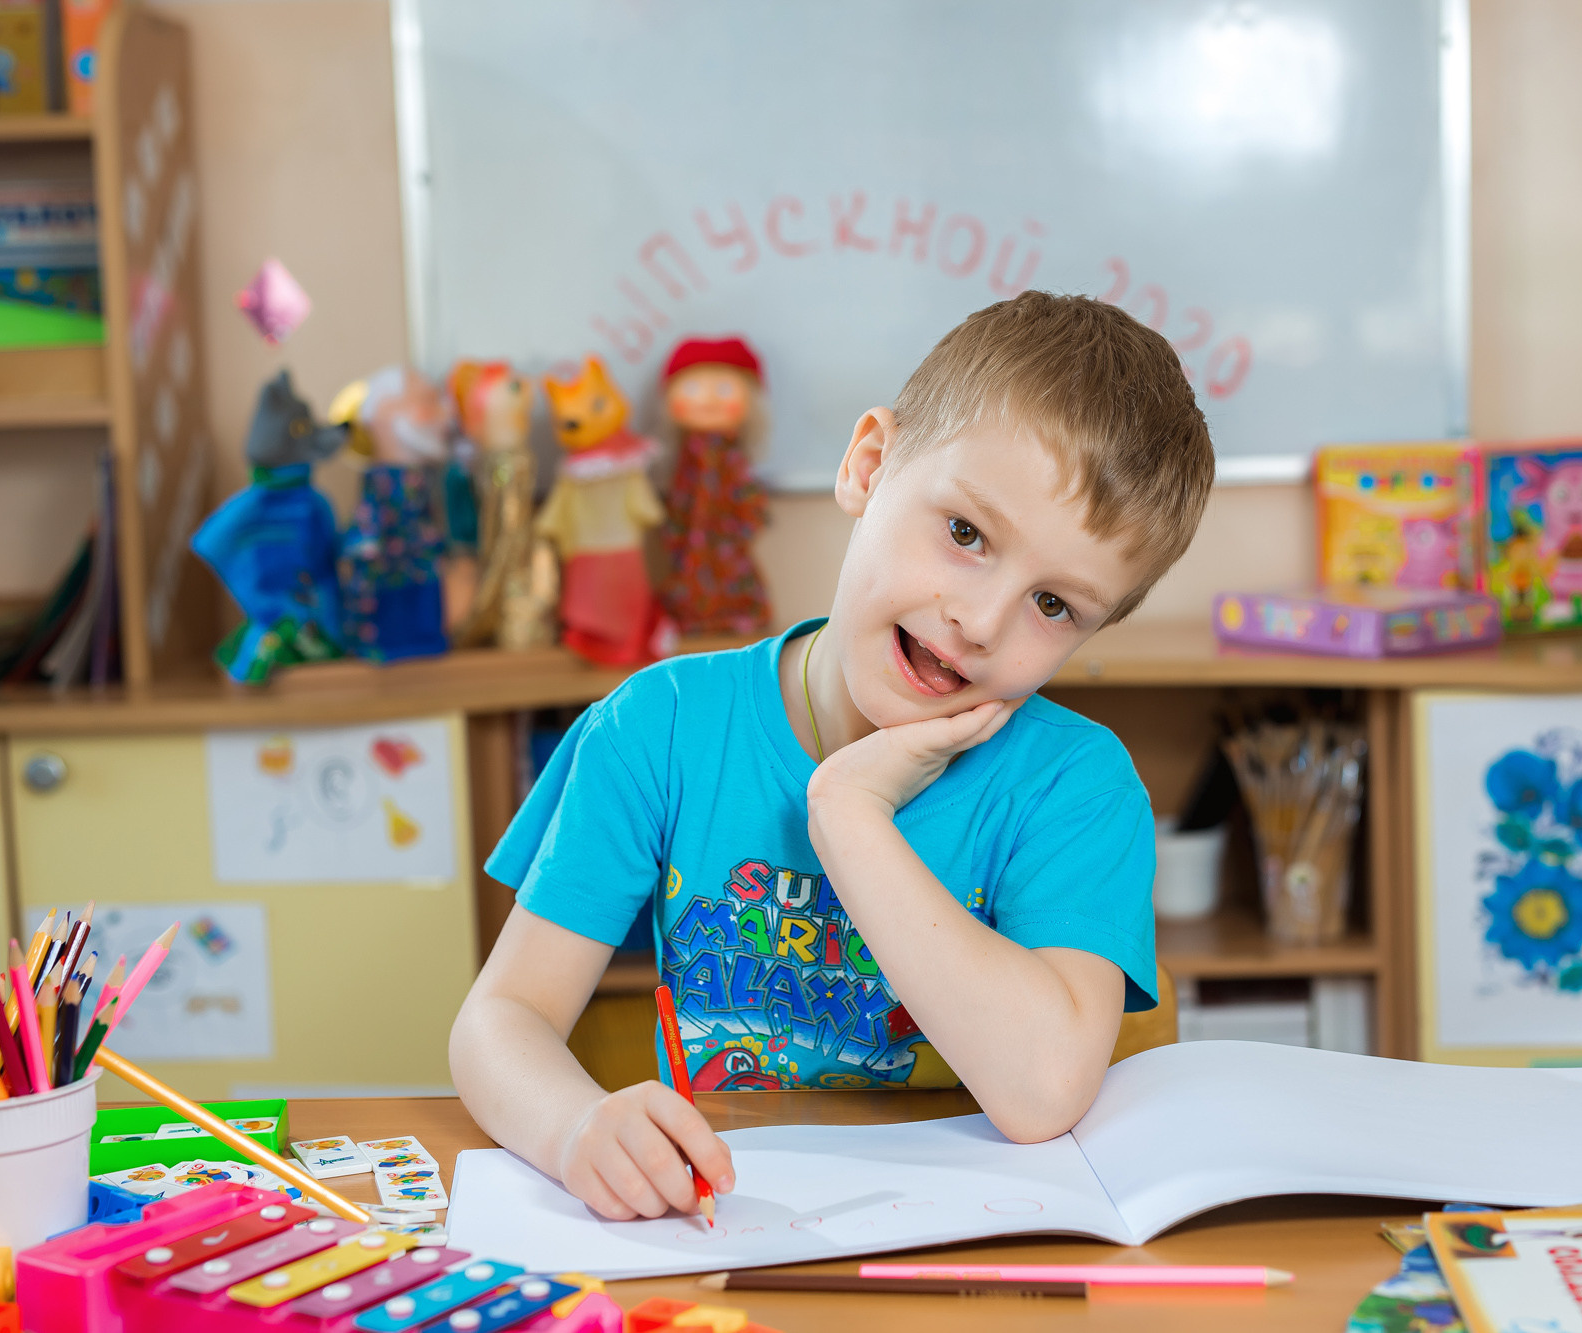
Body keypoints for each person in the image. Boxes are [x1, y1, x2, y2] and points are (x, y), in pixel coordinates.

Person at [451, 291, 1215, 1223]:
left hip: (971, 1245)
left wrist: (852, 819)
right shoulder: (659, 726)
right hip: (732, 1228)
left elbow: (1043, 1091)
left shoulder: (1076, 786)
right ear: (868, 465)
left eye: (1054, 605)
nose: (977, 623)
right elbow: (501, 1021)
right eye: (967, 534)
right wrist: (574, 1130)